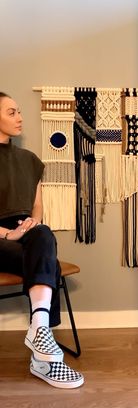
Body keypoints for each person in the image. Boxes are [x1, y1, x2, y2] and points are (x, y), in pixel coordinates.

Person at [0, 92, 84, 389]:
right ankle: (45, 359)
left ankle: (39, 331)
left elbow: (37, 207)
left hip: (27, 231)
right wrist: (9, 234)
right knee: (47, 263)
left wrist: (29, 225)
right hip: (0, 236)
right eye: (11, 112)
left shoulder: (31, 160)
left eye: (19, 111)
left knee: (44, 234)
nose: (20, 117)